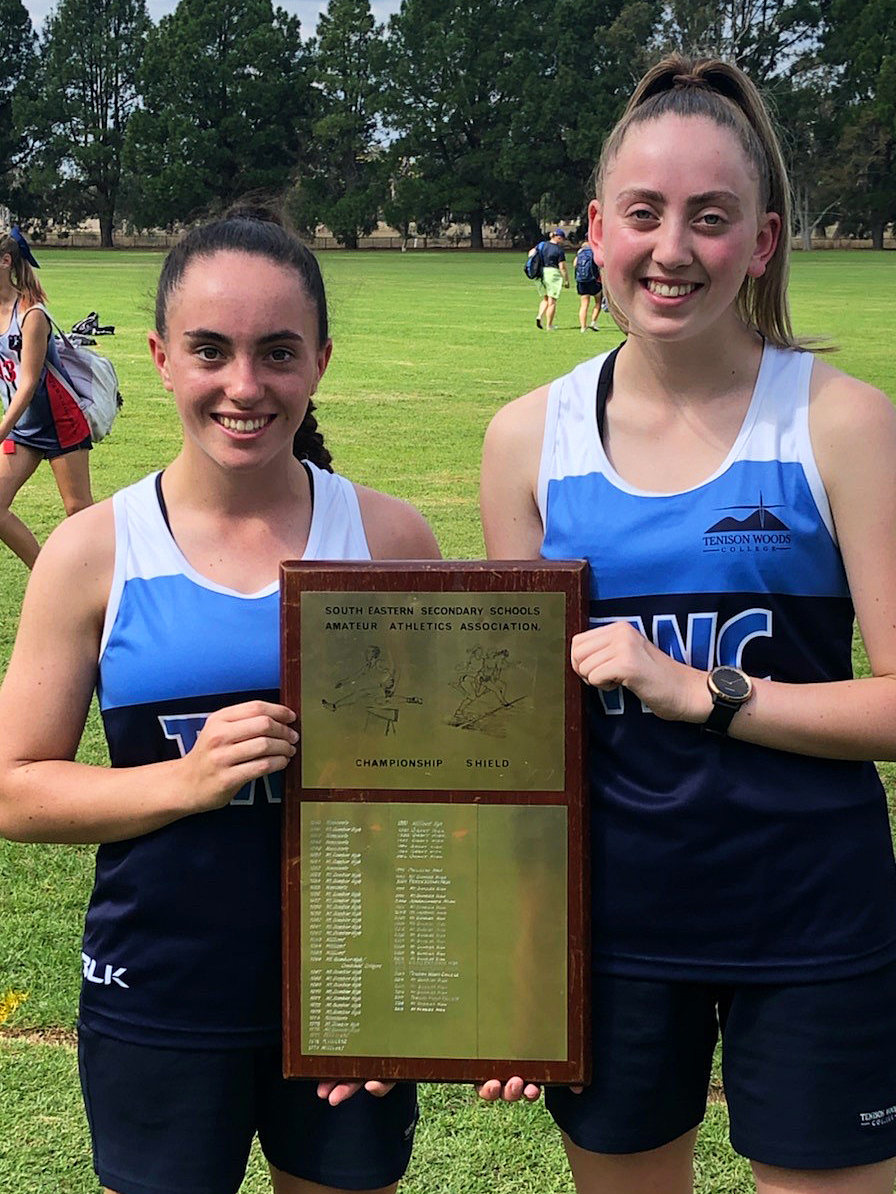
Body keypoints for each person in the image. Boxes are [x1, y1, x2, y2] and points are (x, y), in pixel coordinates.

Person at [479, 53, 896, 1194]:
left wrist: (702, 691)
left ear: (759, 241)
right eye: (643, 214)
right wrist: (509, 966)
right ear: (594, 229)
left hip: (810, 921)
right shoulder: (527, 439)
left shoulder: (844, 425)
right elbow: (513, 741)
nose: (672, 250)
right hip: (613, 934)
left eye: (711, 219)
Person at [0, 208, 440, 1194]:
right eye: (210, 350)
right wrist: (186, 782)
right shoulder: (91, 554)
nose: (244, 386)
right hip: (158, 990)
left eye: (277, 352)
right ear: (160, 357)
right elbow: (14, 789)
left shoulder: (392, 542)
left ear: (320, 360)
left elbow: (445, 799)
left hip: (349, 996)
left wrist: (417, 999)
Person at [0, 225, 93, 568]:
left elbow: (28, 385)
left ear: (6, 262)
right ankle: (45, 576)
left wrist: (1, 430)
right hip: (23, 427)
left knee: (79, 512)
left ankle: (111, 580)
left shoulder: (31, 315)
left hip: (59, 420)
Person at [530, 229, 570, 330]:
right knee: (552, 301)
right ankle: (549, 325)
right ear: (558, 237)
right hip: (553, 273)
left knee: (545, 298)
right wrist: (566, 280)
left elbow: (531, 254)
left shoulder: (542, 245)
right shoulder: (558, 250)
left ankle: (539, 316)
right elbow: (562, 267)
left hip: (541, 272)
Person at [573, 240, 602, 332]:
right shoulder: (595, 251)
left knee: (584, 304)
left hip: (581, 280)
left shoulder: (580, 252)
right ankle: (593, 322)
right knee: (598, 301)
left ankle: (583, 327)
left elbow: (574, 264)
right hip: (593, 280)